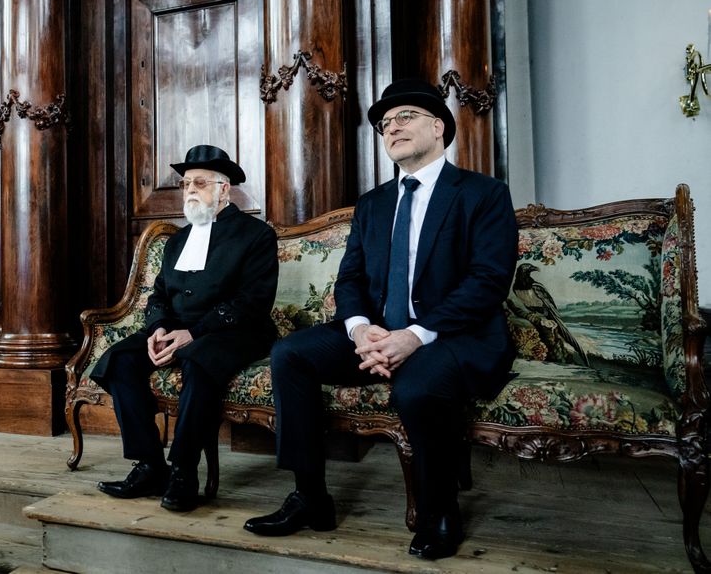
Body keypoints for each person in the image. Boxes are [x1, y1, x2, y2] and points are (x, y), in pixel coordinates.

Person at [243, 79, 518, 560]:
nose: (392, 128)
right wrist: (359, 329)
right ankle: (310, 497)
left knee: (416, 386)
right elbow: (349, 280)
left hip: (453, 333)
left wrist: (413, 335)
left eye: (404, 116)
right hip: (378, 331)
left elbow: (488, 281)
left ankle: (439, 509)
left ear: (438, 127)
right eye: (384, 124)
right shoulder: (372, 205)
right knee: (291, 354)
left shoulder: (483, 194)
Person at [91, 144, 279, 513]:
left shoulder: (255, 235)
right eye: (185, 184)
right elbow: (158, 293)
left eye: (199, 182)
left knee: (200, 359)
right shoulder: (177, 240)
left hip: (236, 331)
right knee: (119, 360)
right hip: (177, 329)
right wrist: (159, 328)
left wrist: (194, 333)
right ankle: (149, 465)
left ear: (224, 189)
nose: (190, 189)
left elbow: (251, 301)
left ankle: (184, 471)